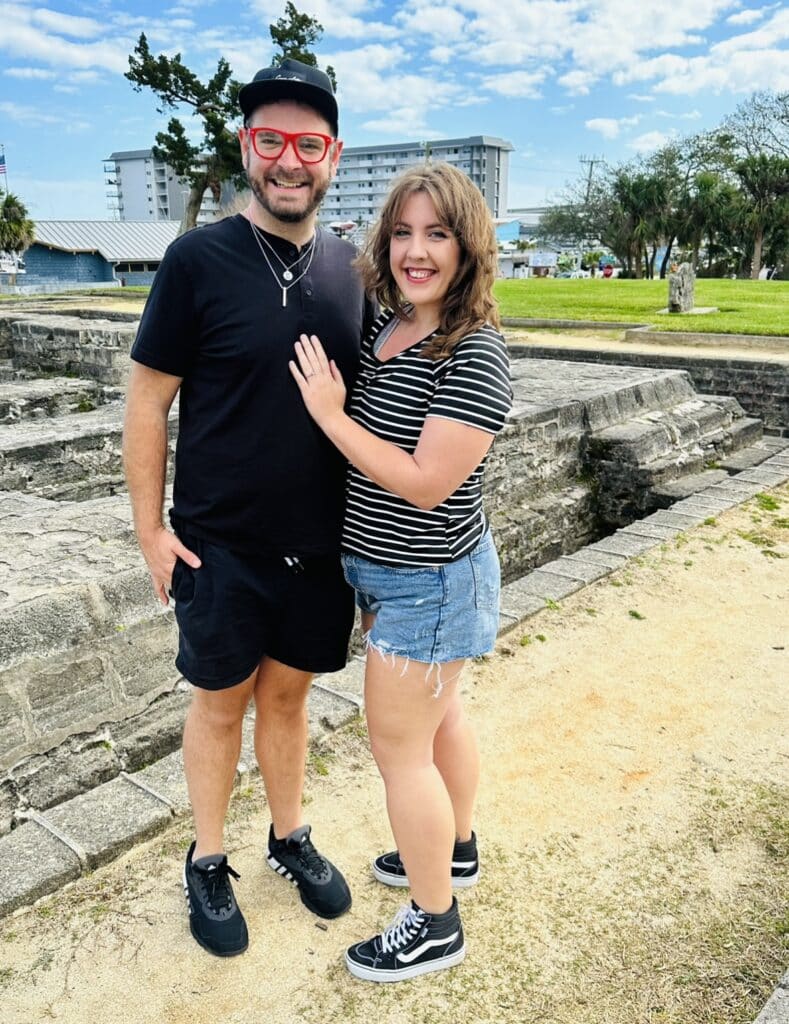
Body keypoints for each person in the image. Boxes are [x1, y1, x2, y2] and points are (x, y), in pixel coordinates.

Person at [122, 58, 376, 958]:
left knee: (288, 700)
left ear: (332, 156)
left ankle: (287, 834)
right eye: (271, 140)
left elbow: (386, 401)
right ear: (246, 148)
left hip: (321, 544)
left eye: (308, 144)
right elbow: (149, 397)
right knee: (219, 704)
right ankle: (208, 854)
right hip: (219, 546)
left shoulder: (355, 268)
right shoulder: (197, 260)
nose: (289, 160)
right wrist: (151, 530)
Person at [290, 162, 512, 982]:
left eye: (438, 234)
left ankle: (433, 922)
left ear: (468, 247)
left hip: (431, 579)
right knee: (439, 721)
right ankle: (452, 852)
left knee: (399, 753)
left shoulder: (475, 352)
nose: (417, 251)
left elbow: (424, 485)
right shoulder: (391, 324)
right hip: (387, 577)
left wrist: (328, 415)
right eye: (403, 233)